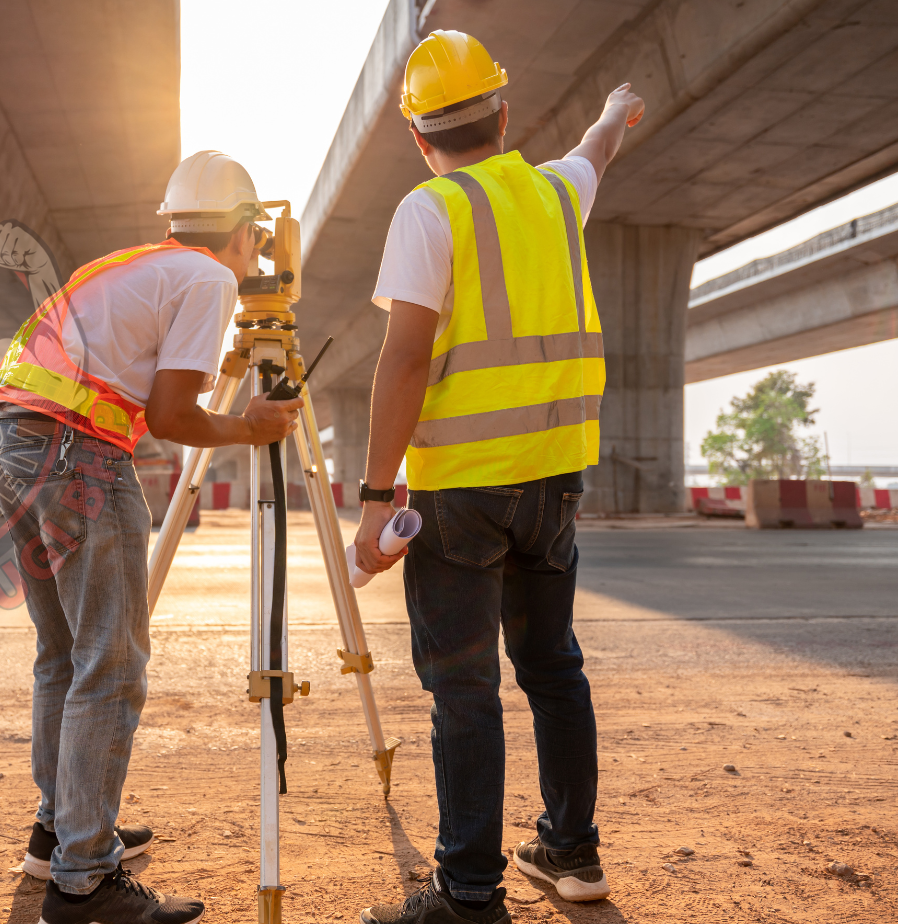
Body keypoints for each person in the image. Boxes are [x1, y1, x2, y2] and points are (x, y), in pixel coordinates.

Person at [348, 30, 645, 924]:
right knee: (552, 667)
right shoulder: (555, 193)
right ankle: (570, 852)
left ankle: (469, 892)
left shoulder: (430, 208)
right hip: (553, 484)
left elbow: (403, 361)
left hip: (461, 493)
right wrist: (611, 111)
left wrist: (372, 500)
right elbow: (595, 151)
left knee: (465, 686)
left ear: (416, 134)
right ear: (504, 115)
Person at [0, 150, 301, 924]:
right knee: (111, 665)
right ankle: (84, 880)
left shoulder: (136, 264)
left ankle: (59, 833)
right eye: (255, 234)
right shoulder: (210, 278)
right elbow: (172, 418)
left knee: (64, 655)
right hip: (77, 453)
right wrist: (250, 427)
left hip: (16, 443)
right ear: (244, 228)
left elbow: (142, 377)